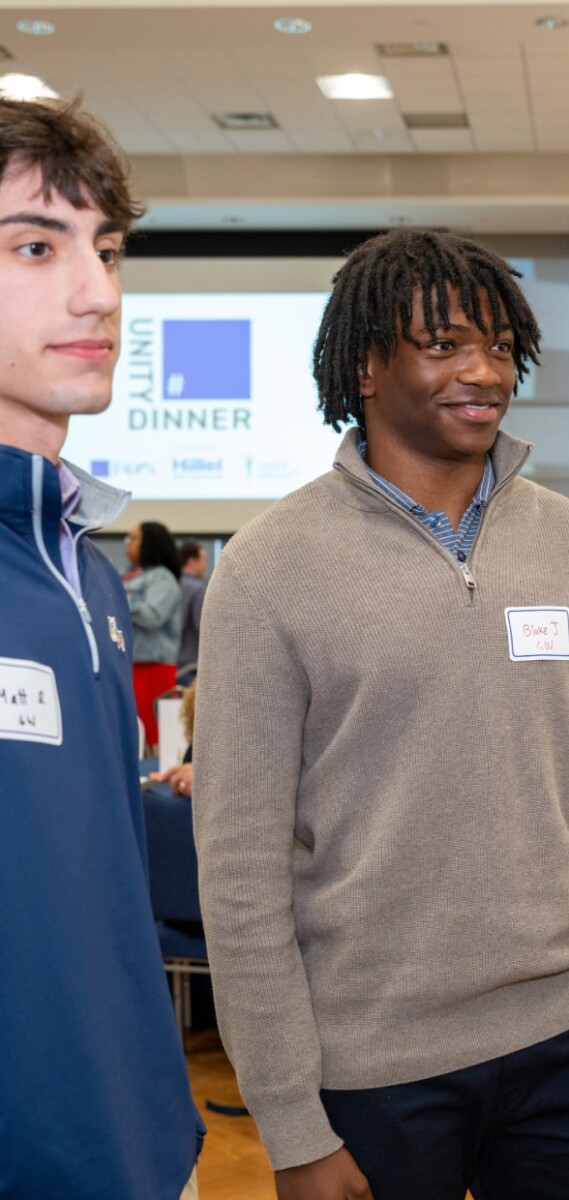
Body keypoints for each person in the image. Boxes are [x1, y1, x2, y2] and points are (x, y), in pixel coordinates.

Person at [192, 229, 569, 1200]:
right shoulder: (271, 569)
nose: (482, 372)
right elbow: (237, 868)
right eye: (443, 345)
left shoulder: (561, 539)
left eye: (496, 345)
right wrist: (287, 1125)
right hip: (372, 1068)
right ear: (365, 363)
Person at [0, 95, 203, 1198]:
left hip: (132, 1147)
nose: (98, 293)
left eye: (107, 248)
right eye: (35, 245)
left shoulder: (82, 568)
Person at [123, 520, 182, 751]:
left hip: (154, 669)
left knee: (155, 739)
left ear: (150, 543)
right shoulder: (131, 575)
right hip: (134, 665)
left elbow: (152, 616)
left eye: (133, 538)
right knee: (135, 734)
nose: (127, 544)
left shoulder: (162, 579)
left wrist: (121, 600)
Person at [177, 541, 208, 684]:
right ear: (191, 561)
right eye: (203, 560)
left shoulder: (172, 583)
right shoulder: (197, 589)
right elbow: (202, 626)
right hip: (190, 665)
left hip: (171, 662)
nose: (205, 566)